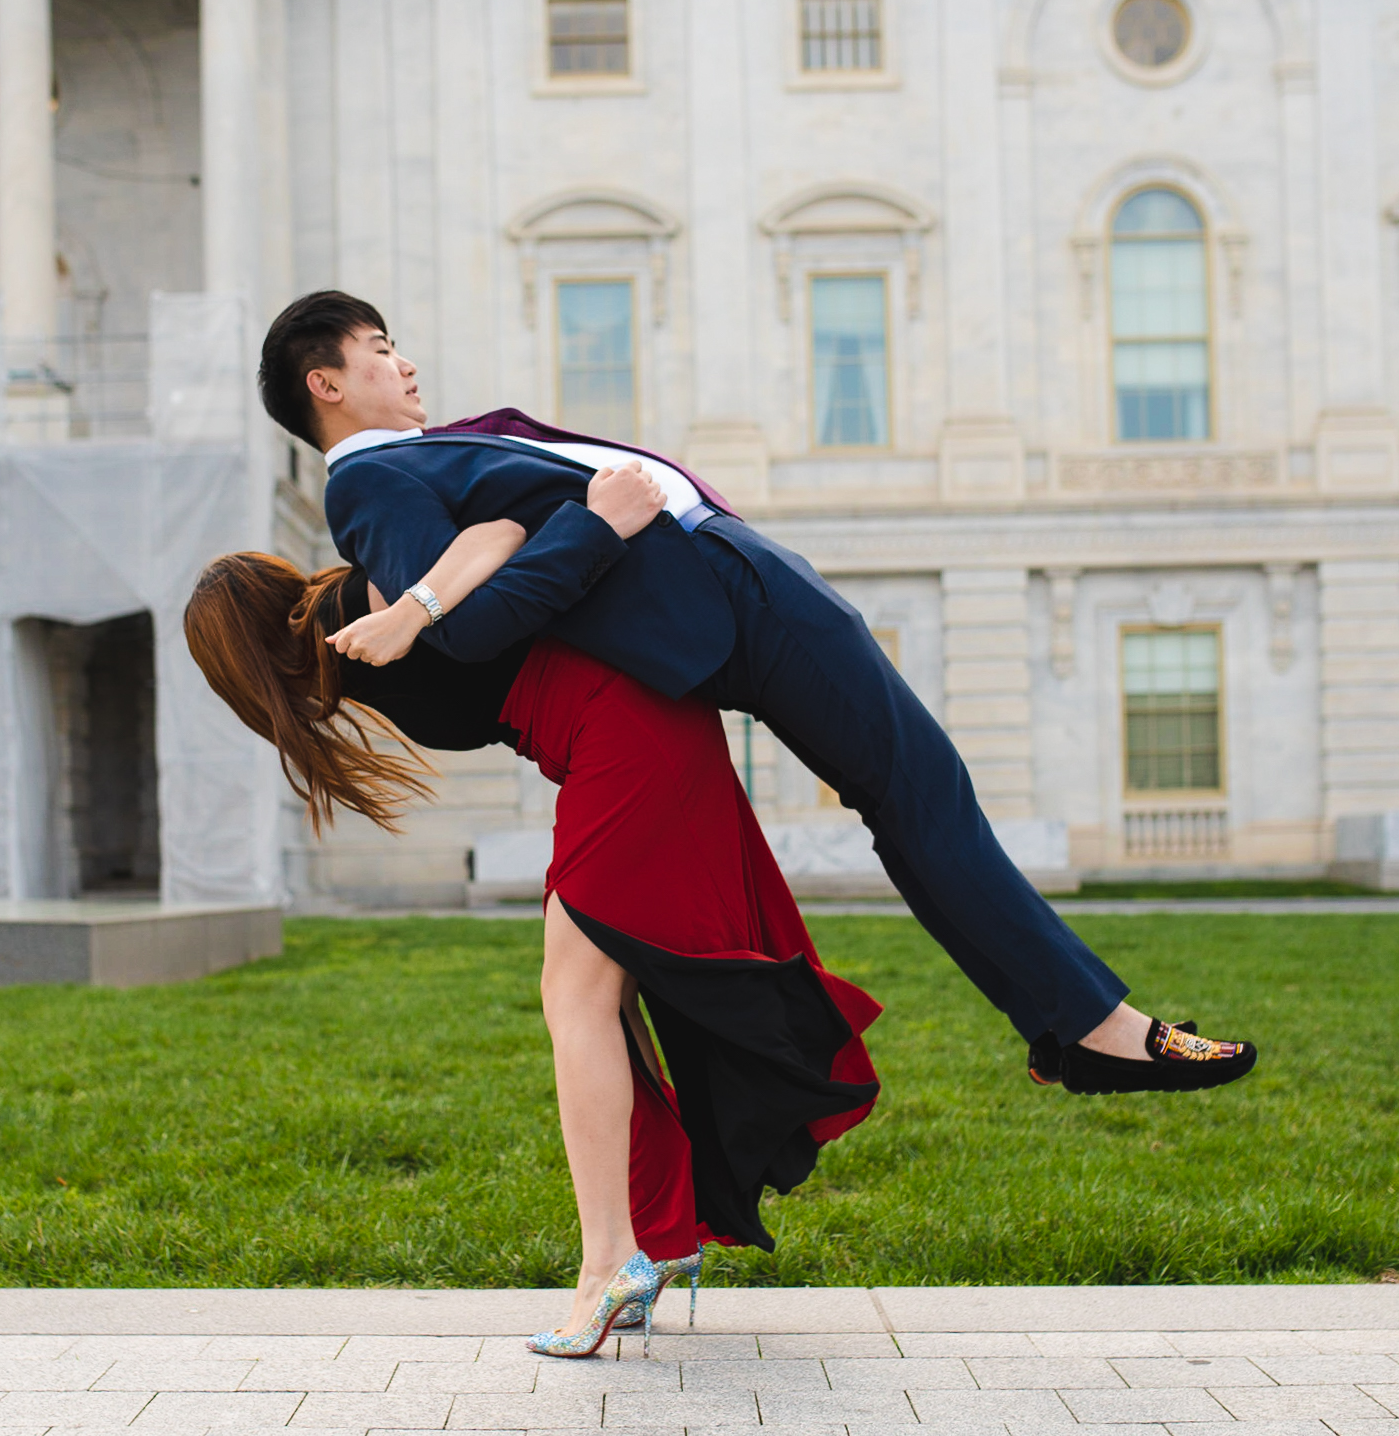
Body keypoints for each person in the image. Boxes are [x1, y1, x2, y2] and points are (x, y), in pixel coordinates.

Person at [257, 289, 1257, 1097]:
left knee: (918, 796)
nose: (405, 363)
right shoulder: (368, 482)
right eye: (382, 349)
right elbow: (471, 634)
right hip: (732, 607)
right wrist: (596, 522)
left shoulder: (419, 454)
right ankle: (1094, 1031)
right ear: (327, 382)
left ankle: (1080, 1028)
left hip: (734, 586)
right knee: (919, 794)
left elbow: (465, 574)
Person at [186, 512, 882, 1358]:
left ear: (240, 654)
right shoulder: (341, 649)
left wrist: (410, 609)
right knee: (605, 1006)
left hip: (622, 734)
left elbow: (497, 532)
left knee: (576, 1001)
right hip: (615, 738)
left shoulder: (349, 610)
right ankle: (655, 1238)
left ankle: (610, 1263)